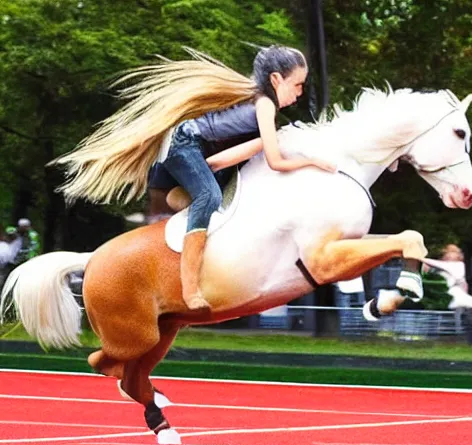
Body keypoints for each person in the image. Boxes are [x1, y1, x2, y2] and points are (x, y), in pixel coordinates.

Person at [53, 46, 336, 310]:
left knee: (225, 190)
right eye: (298, 84)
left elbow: (222, 159)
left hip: (199, 154)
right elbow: (276, 161)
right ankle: (190, 288)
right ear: (276, 79)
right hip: (185, 144)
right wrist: (310, 161)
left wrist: (212, 171)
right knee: (210, 196)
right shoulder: (265, 106)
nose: (299, 93)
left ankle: (183, 198)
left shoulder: (261, 108)